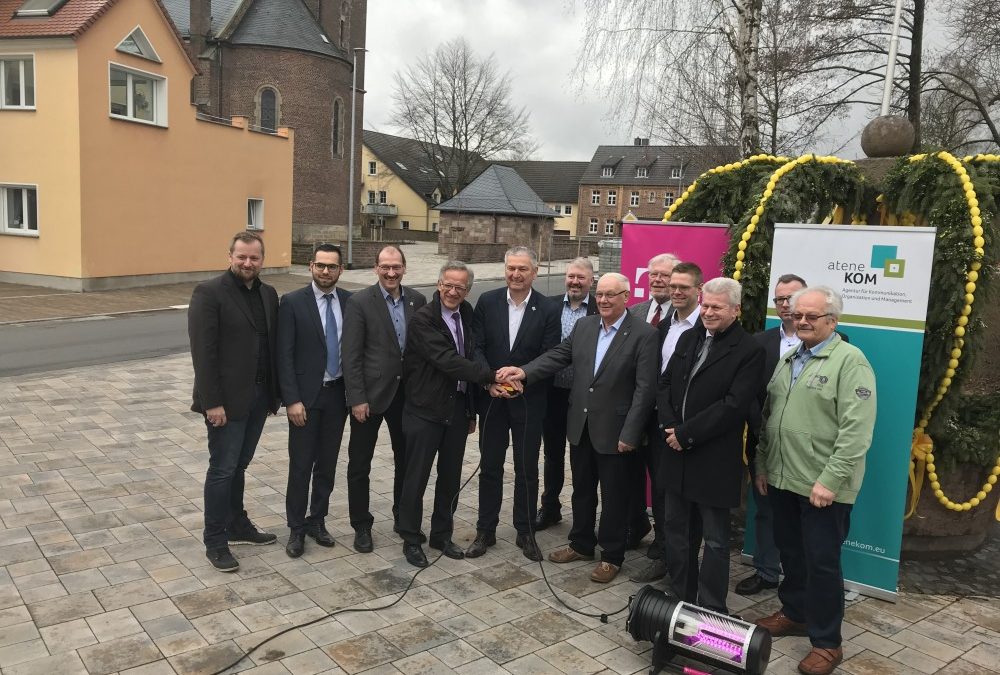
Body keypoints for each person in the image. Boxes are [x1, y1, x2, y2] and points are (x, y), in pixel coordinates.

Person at [498, 272, 658, 583]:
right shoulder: (586, 326)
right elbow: (558, 356)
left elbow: (645, 389)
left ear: (627, 297)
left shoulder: (643, 334)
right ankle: (581, 543)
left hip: (617, 431)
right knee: (582, 490)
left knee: (614, 497)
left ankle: (611, 555)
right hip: (581, 425)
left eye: (612, 295)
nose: (604, 300)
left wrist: (631, 432)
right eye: (600, 295)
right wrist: (524, 372)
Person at [754, 287, 876, 675]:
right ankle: (795, 613)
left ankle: (827, 643)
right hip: (782, 477)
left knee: (822, 563)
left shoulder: (850, 362)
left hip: (823, 487)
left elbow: (856, 432)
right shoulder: (789, 358)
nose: (801, 320)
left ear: (832, 322)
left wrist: (831, 480)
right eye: (797, 314)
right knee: (791, 552)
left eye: (812, 316)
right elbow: (769, 418)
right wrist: (761, 465)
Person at [657, 277, 764, 614]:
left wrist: (686, 434)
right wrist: (669, 424)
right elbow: (665, 383)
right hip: (676, 454)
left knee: (715, 540)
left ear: (736, 310)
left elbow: (734, 406)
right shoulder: (689, 337)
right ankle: (681, 596)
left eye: (717, 307)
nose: (708, 312)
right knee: (676, 531)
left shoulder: (750, 350)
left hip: (713, 460)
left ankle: (711, 605)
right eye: (705, 305)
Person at [397, 262, 500, 568]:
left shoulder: (467, 314)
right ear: (438, 284)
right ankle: (411, 538)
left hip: (455, 408)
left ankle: (441, 535)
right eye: (448, 285)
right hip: (424, 409)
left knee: (450, 477)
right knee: (416, 477)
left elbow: (471, 353)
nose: (453, 292)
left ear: (467, 290)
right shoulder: (423, 320)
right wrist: (491, 376)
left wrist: (470, 411)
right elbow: (448, 361)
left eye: (460, 287)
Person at [188, 231, 279, 572]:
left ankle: (237, 524)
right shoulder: (209, 293)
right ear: (230, 256)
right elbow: (204, 353)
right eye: (241, 257)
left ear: (261, 260)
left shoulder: (268, 294)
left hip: (257, 399)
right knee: (223, 469)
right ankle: (215, 540)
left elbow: (270, 348)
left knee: (239, 466)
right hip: (224, 402)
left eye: (254, 258)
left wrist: (274, 396)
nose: (247, 263)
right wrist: (212, 403)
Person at [467, 246, 560, 562]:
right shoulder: (488, 301)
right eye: (511, 268)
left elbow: (550, 354)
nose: (516, 274)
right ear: (505, 270)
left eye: (523, 269)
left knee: (526, 468)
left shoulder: (548, 309)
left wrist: (524, 379)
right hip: (492, 399)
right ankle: (485, 530)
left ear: (534, 272)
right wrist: (488, 379)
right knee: (490, 466)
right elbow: (475, 347)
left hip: (528, 401)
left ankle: (525, 531)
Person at [342, 245, 427, 553]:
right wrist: (356, 398)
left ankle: (403, 518)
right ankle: (361, 525)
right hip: (370, 397)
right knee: (359, 463)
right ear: (376, 268)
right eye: (385, 267)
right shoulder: (359, 302)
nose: (391, 273)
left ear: (404, 268)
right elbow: (350, 355)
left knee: (406, 462)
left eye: (396, 267)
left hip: (409, 397)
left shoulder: (418, 300)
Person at [276, 244, 352, 558]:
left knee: (327, 464)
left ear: (340, 270)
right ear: (310, 266)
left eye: (331, 266)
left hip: (337, 395)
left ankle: (316, 520)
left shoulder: (351, 302)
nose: (325, 271)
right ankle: (296, 527)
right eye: (320, 265)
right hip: (306, 399)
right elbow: (284, 354)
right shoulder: (293, 302)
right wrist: (291, 400)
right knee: (301, 464)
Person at [630, 261, 703, 583]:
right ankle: (661, 548)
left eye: (682, 287)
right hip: (654, 419)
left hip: (688, 425)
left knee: (675, 493)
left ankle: (675, 558)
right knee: (657, 487)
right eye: (672, 286)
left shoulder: (706, 327)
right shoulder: (662, 327)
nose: (675, 291)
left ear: (698, 291)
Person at [736, 273, 806, 596]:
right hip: (764, 445)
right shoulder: (759, 342)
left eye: (791, 298)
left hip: (805, 451)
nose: (785, 304)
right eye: (779, 299)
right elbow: (749, 393)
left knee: (802, 520)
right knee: (765, 512)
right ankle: (766, 572)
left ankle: (798, 582)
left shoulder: (834, 343)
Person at [625, 253, 678, 570]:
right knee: (628, 476)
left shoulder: (685, 316)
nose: (657, 280)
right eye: (653, 275)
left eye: (665, 275)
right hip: (633, 410)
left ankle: (662, 542)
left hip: (663, 415)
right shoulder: (637, 311)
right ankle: (636, 526)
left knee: (660, 483)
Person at [536, 258, 597, 531]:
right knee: (552, 454)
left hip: (585, 398)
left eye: (581, 277)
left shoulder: (601, 309)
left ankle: (583, 518)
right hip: (552, 394)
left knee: (582, 458)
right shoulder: (548, 306)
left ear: (591, 281)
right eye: (571, 276)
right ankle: (550, 507)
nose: (575, 281)